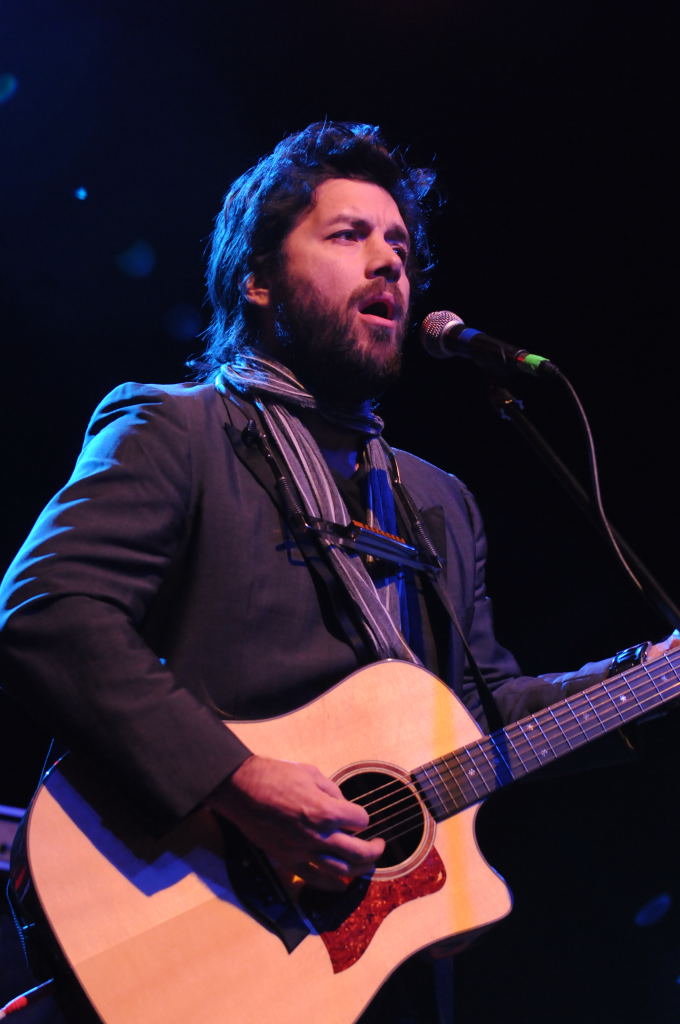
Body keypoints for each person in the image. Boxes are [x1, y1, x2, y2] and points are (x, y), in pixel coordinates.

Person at [0, 121, 677, 1023]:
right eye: (349, 235)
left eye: (399, 245)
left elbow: (481, 714)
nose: (390, 263)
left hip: (371, 971)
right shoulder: (176, 432)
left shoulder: (439, 500)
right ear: (258, 279)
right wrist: (236, 780)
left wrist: (650, 678)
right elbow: (50, 611)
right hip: (182, 922)